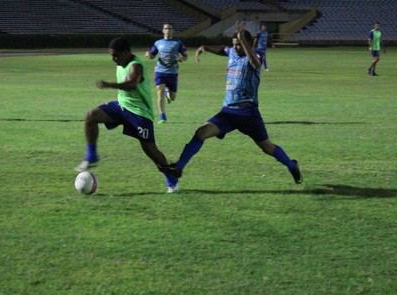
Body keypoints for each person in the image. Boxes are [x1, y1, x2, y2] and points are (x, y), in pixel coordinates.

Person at [169, 26, 302, 188]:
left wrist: (245, 43)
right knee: (201, 132)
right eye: (234, 44)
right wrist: (206, 48)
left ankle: (292, 165)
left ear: (247, 44)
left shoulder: (256, 55)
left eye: (239, 44)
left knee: (267, 147)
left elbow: (255, 64)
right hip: (228, 113)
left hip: (248, 113)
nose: (235, 47)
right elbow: (223, 50)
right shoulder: (232, 52)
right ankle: (178, 167)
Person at [74, 37, 180, 193]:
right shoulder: (121, 62)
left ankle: (171, 179)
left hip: (140, 113)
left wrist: (110, 84)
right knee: (91, 116)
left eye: (115, 55)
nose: (113, 59)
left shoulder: (136, 65)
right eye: (112, 55)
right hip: (121, 107)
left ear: (125, 53)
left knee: (150, 149)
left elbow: (132, 83)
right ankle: (92, 156)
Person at [145, 23, 188, 124]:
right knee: (159, 92)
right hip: (160, 71)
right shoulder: (158, 43)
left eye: (169, 28)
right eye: (166, 28)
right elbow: (152, 56)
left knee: (173, 97)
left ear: (172, 31)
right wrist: (148, 55)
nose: (168, 30)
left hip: (173, 72)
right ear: (163, 31)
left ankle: (168, 94)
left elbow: (185, 55)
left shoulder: (178, 43)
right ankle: (162, 116)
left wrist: (182, 58)